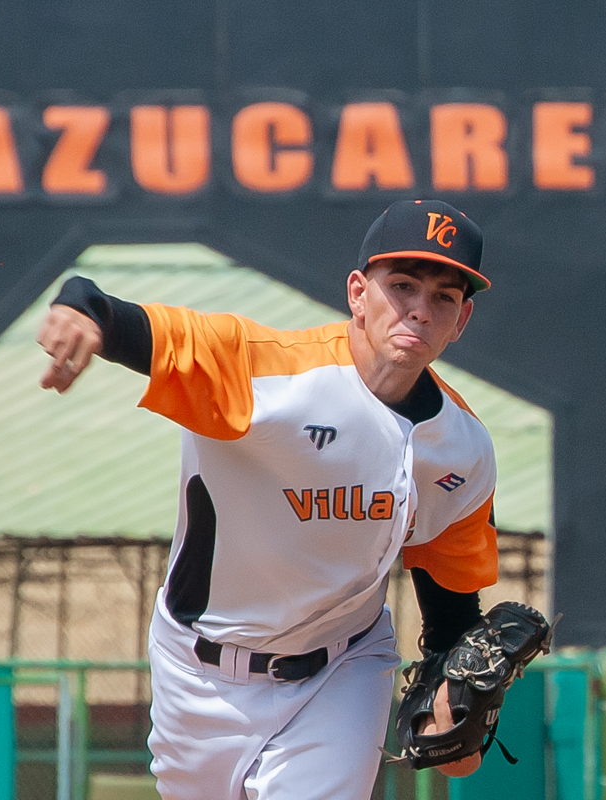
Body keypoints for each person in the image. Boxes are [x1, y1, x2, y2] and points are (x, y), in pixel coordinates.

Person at [37, 199, 500, 799]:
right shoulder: (264, 375)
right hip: (198, 670)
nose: (420, 308)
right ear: (358, 293)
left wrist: (448, 684)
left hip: (342, 669)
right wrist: (82, 311)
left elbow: (451, 599)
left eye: (444, 297)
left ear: (461, 319)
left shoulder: (462, 448)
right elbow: (124, 318)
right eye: (403, 285)